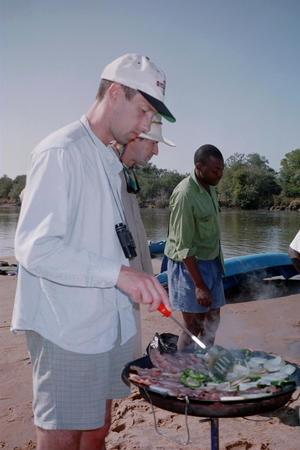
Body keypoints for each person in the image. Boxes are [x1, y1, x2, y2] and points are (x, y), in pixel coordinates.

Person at [11, 53, 174, 450]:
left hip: (108, 324)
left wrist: (138, 277)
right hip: (67, 326)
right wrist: (121, 275)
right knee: (64, 435)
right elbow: (35, 248)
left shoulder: (109, 161)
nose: (144, 125)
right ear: (115, 92)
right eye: (143, 111)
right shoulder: (61, 151)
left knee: (97, 429)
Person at [112, 113, 175, 358]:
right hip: (109, 296)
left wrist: (148, 279)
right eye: (153, 142)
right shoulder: (100, 169)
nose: (156, 151)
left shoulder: (126, 173)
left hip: (130, 295)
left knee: (120, 367)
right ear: (133, 137)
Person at [164, 144, 225, 351]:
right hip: (189, 265)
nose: (220, 174)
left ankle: (207, 361)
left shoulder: (211, 188)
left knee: (213, 318)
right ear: (199, 167)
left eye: (222, 169)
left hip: (211, 261)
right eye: (215, 170)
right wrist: (199, 284)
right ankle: (183, 370)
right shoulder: (185, 195)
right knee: (193, 324)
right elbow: (183, 246)